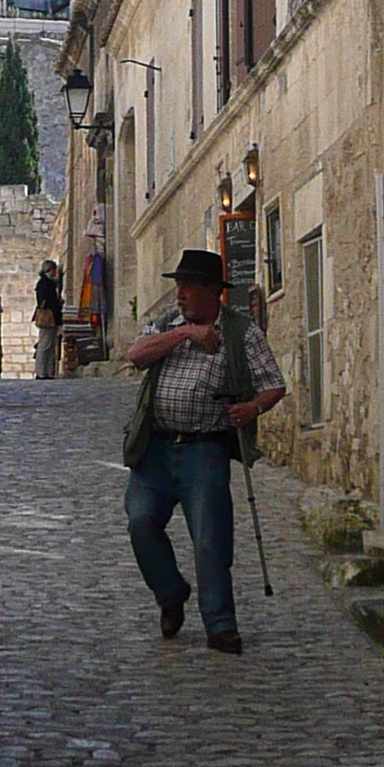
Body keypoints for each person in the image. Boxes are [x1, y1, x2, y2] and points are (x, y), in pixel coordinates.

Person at [122, 248, 285, 654]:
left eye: (189, 287)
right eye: (178, 286)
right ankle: (171, 592)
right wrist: (183, 334)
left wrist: (252, 408)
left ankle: (220, 624)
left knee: (211, 539)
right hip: (155, 446)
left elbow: (273, 383)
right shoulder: (166, 323)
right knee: (141, 522)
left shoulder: (241, 332)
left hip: (204, 448)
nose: (180, 294)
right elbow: (135, 354)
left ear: (214, 291)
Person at [32, 257, 65, 381]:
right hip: (48, 318)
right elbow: (50, 302)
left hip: (49, 317)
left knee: (49, 346)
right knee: (45, 345)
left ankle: (47, 372)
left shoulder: (46, 283)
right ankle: (41, 372)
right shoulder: (46, 284)